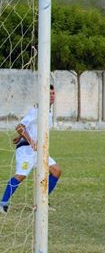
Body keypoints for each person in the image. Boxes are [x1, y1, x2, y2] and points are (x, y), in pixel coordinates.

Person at [2, 85, 61, 213]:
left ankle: (41, 203)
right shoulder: (37, 110)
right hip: (27, 150)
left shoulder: (49, 111)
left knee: (56, 170)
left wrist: (20, 137)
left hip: (39, 151)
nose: (52, 96)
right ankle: (3, 203)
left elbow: (30, 127)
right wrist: (29, 140)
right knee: (21, 175)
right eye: (49, 93)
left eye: (53, 93)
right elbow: (19, 126)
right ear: (43, 96)